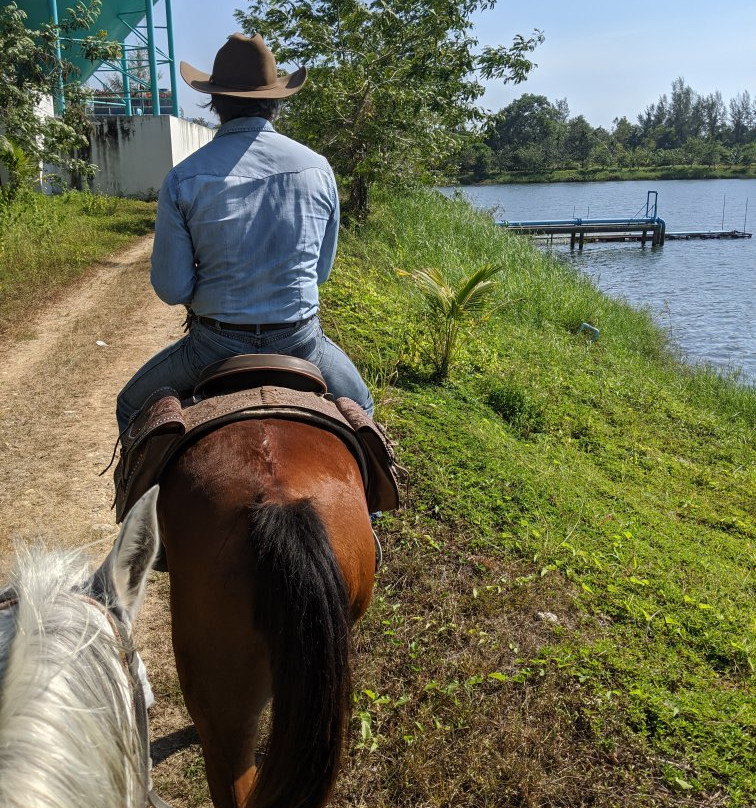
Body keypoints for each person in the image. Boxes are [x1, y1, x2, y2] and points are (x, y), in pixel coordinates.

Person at [115, 33, 374, 434]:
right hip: (301, 343)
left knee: (131, 405)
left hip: (213, 347)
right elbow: (320, 273)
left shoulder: (184, 177)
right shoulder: (317, 169)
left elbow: (172, 288)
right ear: (275, 101)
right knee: (363, 408)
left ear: (215, 102)